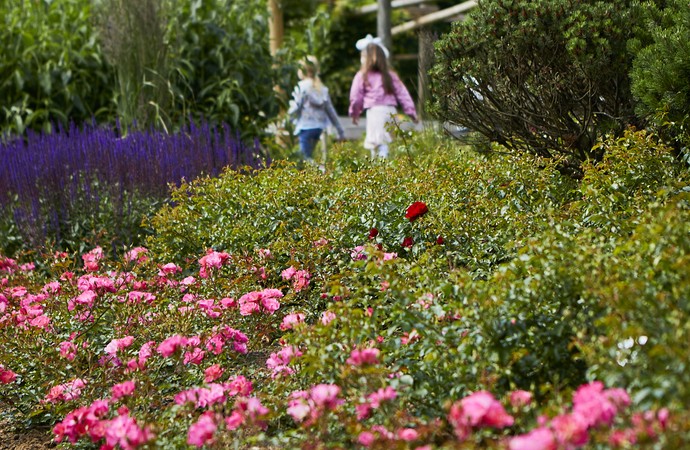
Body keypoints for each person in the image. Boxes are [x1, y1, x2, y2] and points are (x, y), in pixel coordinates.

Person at [349, 36, 418, 159]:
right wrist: (411, 112)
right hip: (390, 111)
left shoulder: (362, 75)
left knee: (377, 143)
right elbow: (403, 94)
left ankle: (381, 171)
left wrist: (355, 113)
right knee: (388, 142)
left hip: (375, 113)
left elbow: (356, 97)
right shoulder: (390, 75)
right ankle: (388, 169)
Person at [288, 56, 345, 162]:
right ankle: (317, 171)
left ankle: (319, 171)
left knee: (304, 158)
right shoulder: (321, 88)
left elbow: (296, 106)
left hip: (305, 127)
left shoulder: (302, 87)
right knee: (309, 155)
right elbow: (330, 111)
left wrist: (287, 120)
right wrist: (340, 131)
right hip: (319, 128)